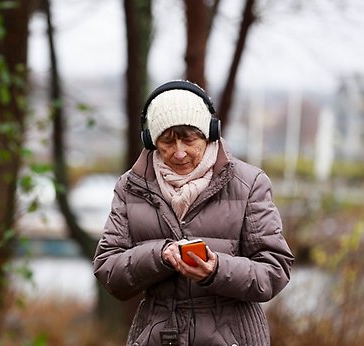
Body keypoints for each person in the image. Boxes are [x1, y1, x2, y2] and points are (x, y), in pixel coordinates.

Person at [93, 80, 294, 346]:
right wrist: (160, 256)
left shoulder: (249, 183)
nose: (179, 152)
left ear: (209, 133)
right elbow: (108, 268)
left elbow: (274, 270)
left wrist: (217, 270)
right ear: (151, 141)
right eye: (167, 140)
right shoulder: (130, 187)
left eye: (189, 138)